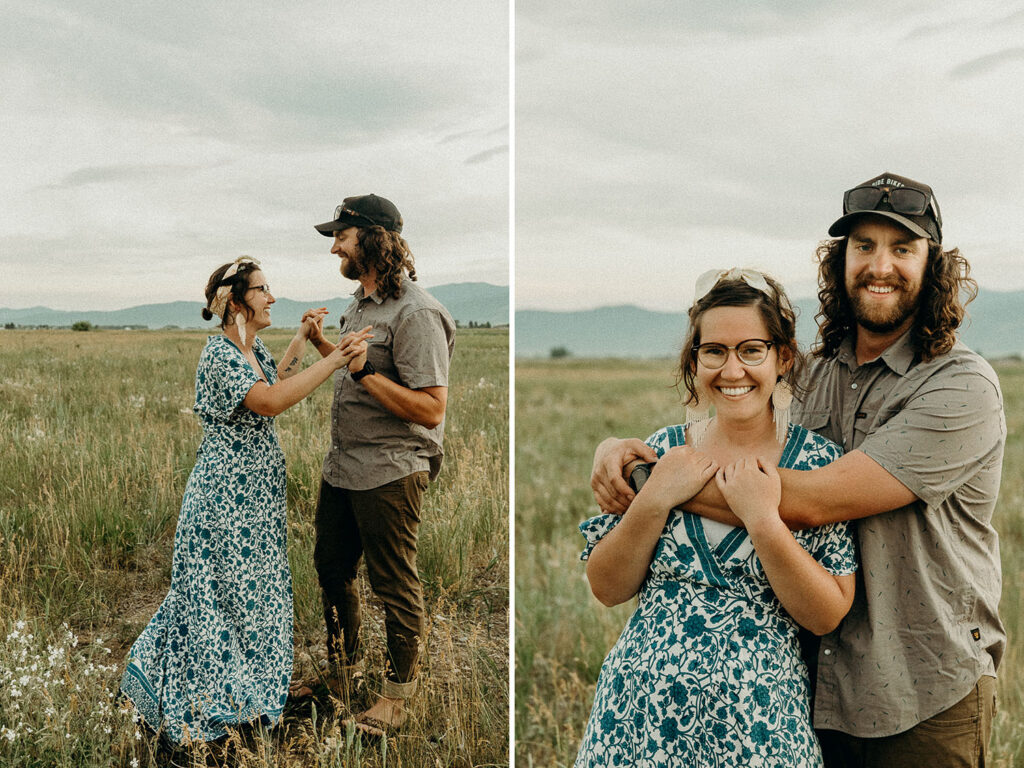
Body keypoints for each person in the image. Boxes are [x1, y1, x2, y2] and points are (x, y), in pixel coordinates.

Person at [591, 172, 1006, 767]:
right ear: (840, 262)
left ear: (933, 265)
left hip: (921, 684)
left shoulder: (961, 387)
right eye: (863, 246)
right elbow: (738, 404)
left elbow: (808, 500)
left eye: (903, 248)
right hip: (814, 688)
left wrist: (648, 484)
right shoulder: (814, 374)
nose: (879, 265)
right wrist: (619, 448)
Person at [576, 268, 857, 767]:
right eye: (714, 351)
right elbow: (606, 586)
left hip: (758, 721)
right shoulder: (660, 451)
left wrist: (764, 521)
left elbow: (827, 613)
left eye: (751, 349)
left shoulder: (818, 464)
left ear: (782, 357)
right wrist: (654, 498)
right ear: (695, 359)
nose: (732, 371)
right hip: (637, 714)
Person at [120, 257, 370, 744]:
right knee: (218, 598)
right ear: (235, 303)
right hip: (223, 501)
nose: (271, 297)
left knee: (252, 597)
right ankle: (208, 700)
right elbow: (270, 402)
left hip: (255, 500)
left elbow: (276, 381)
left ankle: (250, 696)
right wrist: (335, 358)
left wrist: (302, 339)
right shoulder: (218, 354)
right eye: (261, 290)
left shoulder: (255, 350)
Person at [292, 194, 455, 737]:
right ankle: (342, 674)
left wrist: (362, 373)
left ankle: (397, 696)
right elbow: (355, 372)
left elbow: (431, 409)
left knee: (393, 585)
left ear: (374, 238)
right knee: (331, 572)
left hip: (390, 469)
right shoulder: (359, 306)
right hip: (343, 466)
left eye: (342, 234)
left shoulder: (417, 312)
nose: (334, 244)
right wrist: (323, 346)